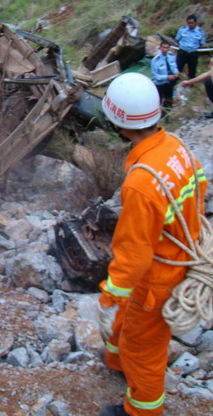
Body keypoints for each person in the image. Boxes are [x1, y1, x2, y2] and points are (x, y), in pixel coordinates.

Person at [97, 72, 207, 416]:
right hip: (178, 257)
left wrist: (110, 293)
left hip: (158, 276)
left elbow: (134, 253)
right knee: (127, 325)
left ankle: (142, 410)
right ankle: (116, 361)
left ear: (117, 123)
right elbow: (200, 186)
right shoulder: (175, 145)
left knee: (144, 347)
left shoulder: (142, 183)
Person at [150, 41, 179, 112]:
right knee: (159, 99)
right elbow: (156, 76)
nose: (165, 49)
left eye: (167, 48)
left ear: (169, 48)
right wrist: (166, 77)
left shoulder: (171, 56)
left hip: (170, 82)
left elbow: (174, 66)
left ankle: (167, 115)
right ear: (160, 48)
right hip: (160, 84)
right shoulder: (155, 60)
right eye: (163, 47)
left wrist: (176, 72)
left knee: (169, 99)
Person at [175, 14, 206, 79]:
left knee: (192, 70)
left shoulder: (200, 32)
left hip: (193, 53)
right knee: (177, 68)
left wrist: (193, 48)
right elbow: (177, 39)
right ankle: (174, 82)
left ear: (196, 23)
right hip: (182, 52)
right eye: (188, 23)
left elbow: (201, 43)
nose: (190, 25)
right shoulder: (182, 30)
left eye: (192, 23)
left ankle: (191, 84)